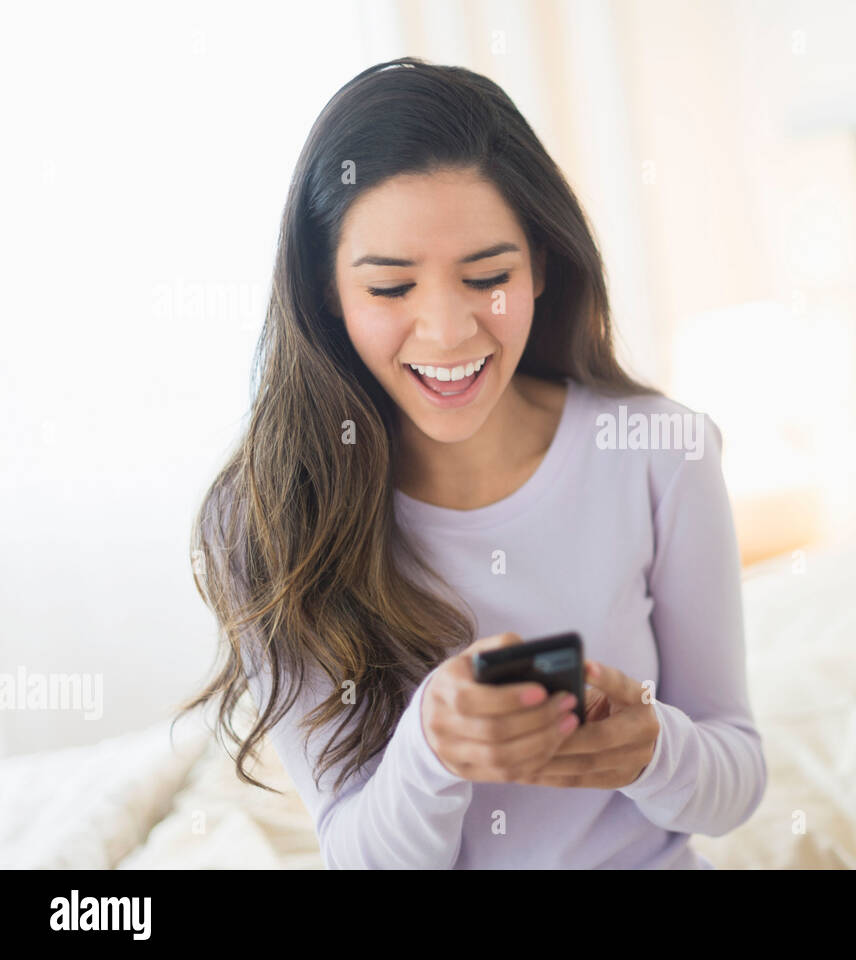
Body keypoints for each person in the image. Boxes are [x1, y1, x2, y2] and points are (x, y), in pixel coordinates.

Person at [178, 57, 765, 868]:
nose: (449, 333)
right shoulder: (269, 518)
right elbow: (358, 853)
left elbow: (735, 783)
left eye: (488, 277)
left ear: (541, 267)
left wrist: (655, 751)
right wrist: (432, 747)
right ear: (325, 293)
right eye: (390, 289)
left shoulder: (662, 453)